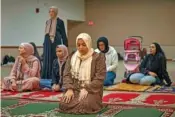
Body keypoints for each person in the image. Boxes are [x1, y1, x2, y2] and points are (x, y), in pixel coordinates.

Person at [59, 33, 106, 114]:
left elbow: (100, 78)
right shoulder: (72, 57)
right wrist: (69, 89)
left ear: (89, 44)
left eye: (84, 45)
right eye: (78, 45)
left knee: (85, 104)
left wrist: (87, 88)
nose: (80, 47)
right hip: (74, 89)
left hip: (91, 90)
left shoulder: (98, 57)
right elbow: (66, 74)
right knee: (63, 104)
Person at [42, 6, 68, 79]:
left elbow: (63, 33)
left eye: (52, 11)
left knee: (55, 57)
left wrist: (65, 45)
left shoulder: (60, 21)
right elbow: (46, 32)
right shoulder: (47, 22)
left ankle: (54, 76)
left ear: (56, 12)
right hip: (47, 41)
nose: (51, 13)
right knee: (47, 58)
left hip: (56, 40)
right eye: (49, 11)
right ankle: (47, 75)